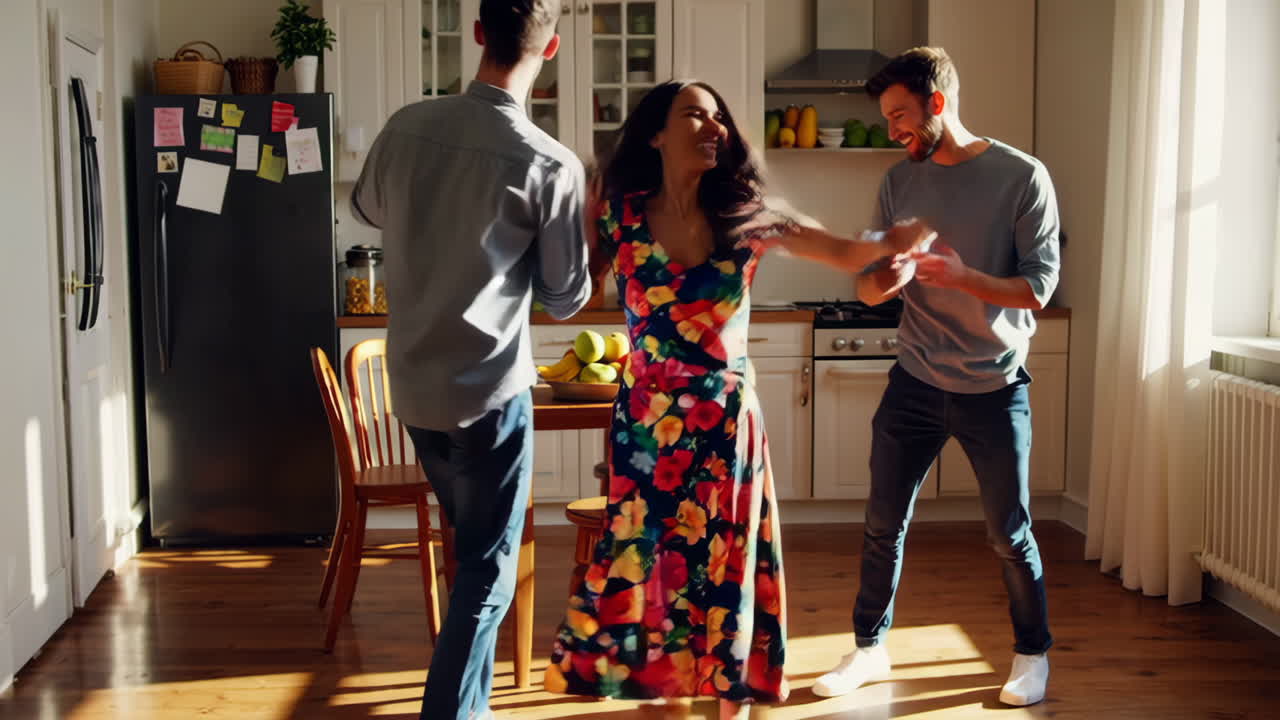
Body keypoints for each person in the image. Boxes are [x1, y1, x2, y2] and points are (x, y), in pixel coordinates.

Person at [542, 79, 934, 720]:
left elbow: (847, 252)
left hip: (724, 423)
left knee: (730, 563)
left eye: (718, 116)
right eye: (694, 114)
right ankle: (657, 696)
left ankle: (735, 704)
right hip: (645, 427)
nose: (713, 125)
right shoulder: (621, 212)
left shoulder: (750, 216)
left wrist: (894, 246)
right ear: (656, 133)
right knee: (648, 570)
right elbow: (570, 288)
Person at [349, 2, 590, 719]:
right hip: (489, 399)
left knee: (472, 561)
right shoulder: (550, 162)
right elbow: (566, 299)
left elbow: (366, 209)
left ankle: (471, 708)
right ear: (552, 51)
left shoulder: (405, 126)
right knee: (486, 573)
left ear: (479, 33)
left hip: (416, 394)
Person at [812, 47, 1061, 707]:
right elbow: (868, 285)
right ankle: (868, 648)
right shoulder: (901, 181)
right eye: (887, 117)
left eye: (900, 115)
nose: (892, 128)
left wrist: (964, 277)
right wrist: (885, 276)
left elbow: (1038, 289)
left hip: (994, 387)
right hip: (915, 381)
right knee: (880, 523)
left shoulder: (1022, 177)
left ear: (937, 104)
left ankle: (1032, 655)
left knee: (1009, 533)